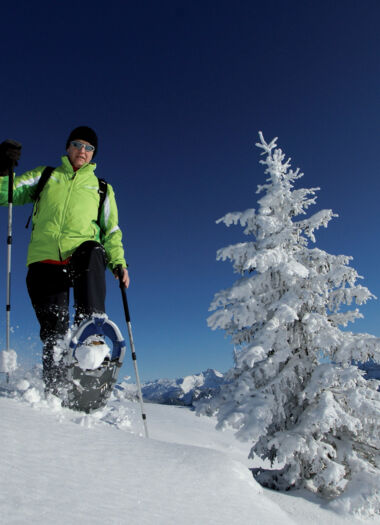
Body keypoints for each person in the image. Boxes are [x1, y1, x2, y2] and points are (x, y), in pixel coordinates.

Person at [0, 126, 129, 392]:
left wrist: (119, 262)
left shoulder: (102, 188)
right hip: (44, 261)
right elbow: (6, 193)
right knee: (54, 334)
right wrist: (3, 169)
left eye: (88, 147)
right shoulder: (45, 176)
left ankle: (91, 333)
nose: (82, 151)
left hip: (80, 259)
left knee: (93, 249)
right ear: (68, 147)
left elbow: (111, 230)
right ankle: (56, 388)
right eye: (77, 144)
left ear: (94, 154)